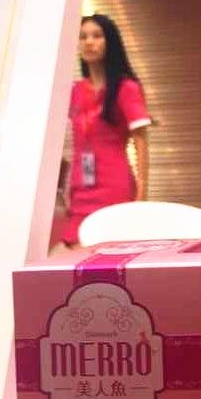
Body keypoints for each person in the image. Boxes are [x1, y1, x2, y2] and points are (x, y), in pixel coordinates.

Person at [59, 14, 151, 247]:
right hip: (80, 187)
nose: (89, 42)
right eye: (83, 37)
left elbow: (141, 141)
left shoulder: (125, 88)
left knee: (107, 247)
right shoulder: (74, 91)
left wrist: (141, 194)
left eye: (97, 36)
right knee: (72, 247)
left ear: (109, 41)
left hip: (113, 186)